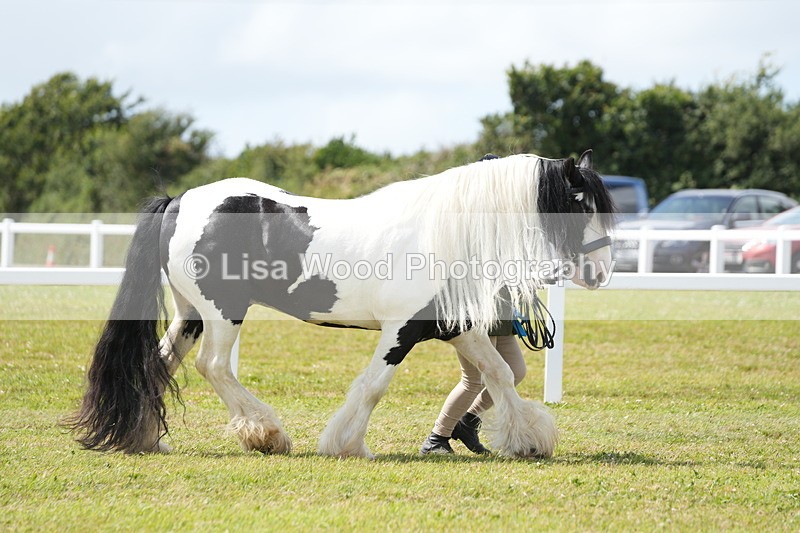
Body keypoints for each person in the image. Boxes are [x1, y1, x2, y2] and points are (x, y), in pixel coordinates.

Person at [420, 302, 526, 455]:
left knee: (515, 370)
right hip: (480, 305)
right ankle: (437, 438)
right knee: (475, 379)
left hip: (501, 305)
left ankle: (468, 422)